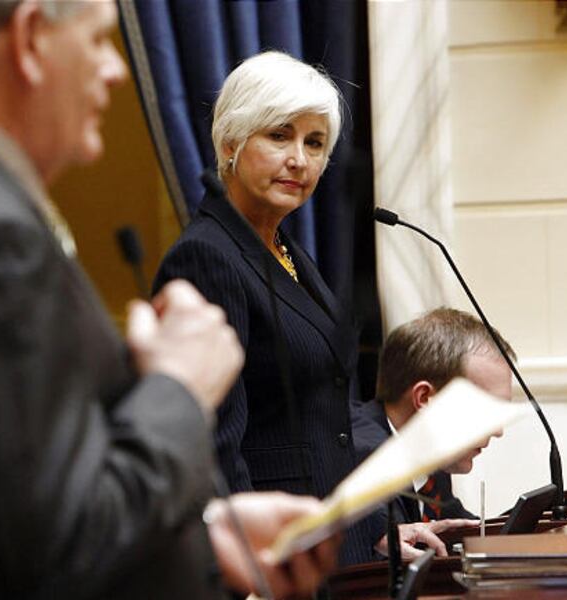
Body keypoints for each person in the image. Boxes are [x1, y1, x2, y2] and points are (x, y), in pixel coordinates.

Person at [0, 2, 340, 599]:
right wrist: (179, 388)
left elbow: (5, 506)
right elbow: (62, 552)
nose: (114, 69)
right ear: (32, 37)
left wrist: (209, 534)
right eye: (98, 40)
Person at [153, 51, 395, 567]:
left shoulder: (284, 250)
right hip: (274, 553)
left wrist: (377, 530)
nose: (300, 160)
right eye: (280, 136)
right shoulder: (207, 257)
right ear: (230, 143)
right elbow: (214, 440)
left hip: (330, 542)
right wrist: (253, 559)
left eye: (315, 143)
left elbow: (323, 422)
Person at [352, 308, 514, 555]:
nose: (498, 431)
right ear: (425, 398)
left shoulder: (431, 453)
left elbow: (460, 529)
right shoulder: (363, 461)